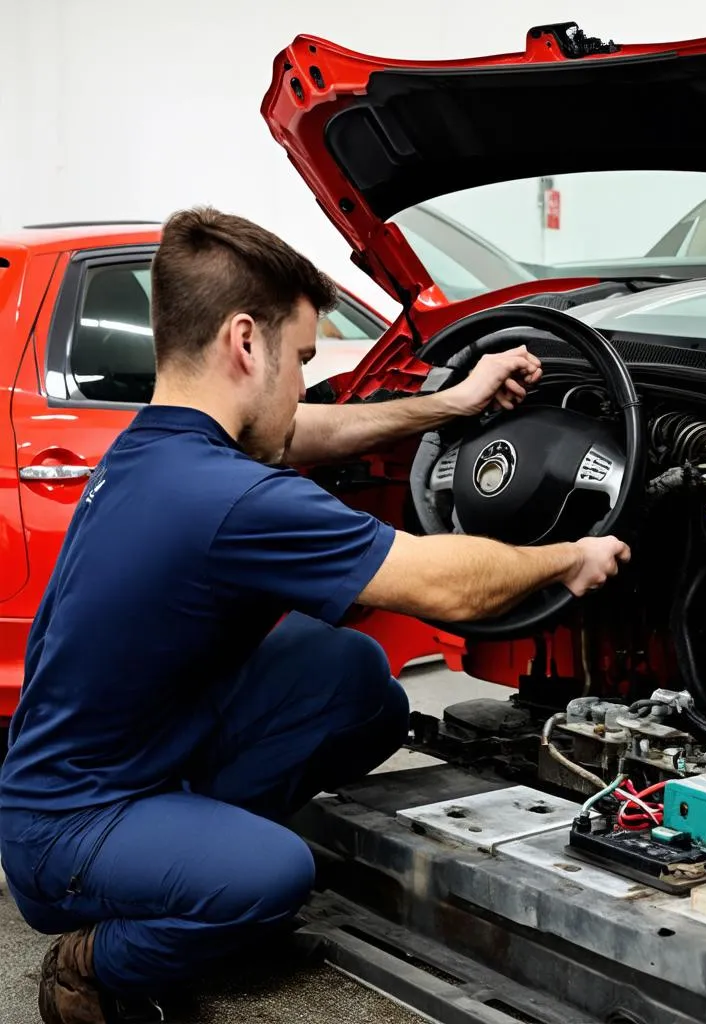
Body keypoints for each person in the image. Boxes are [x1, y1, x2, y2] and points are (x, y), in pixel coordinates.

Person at [0, 207, 630, 1024]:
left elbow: (305, 431)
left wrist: (451, 405)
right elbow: (447, 587)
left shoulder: (161, 445)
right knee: (274, 875)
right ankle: (99, 959)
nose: (306, 383)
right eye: (301, 358)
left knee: (354, 681)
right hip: (67, 832)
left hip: (127, 765)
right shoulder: (226, 499)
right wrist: (568, 557)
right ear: (244, 342)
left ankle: (187, 851)